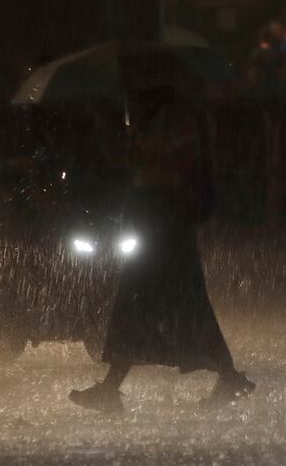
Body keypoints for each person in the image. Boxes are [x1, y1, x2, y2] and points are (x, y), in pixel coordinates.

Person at [69, 84, 254, 413]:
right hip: (153, 217)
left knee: (155, 302)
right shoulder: (151, 114)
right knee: (150, 302)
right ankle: (226, 376)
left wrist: (134, 148)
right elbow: (132, 161)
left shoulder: (174, 115)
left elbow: (174, 160)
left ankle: (114, 388)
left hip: (165, 220)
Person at [247, 21, 286, 94]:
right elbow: (284, 72)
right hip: (272, 87)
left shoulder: (256, 53)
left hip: (260, 88)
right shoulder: (276, 53)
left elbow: (252, 73)